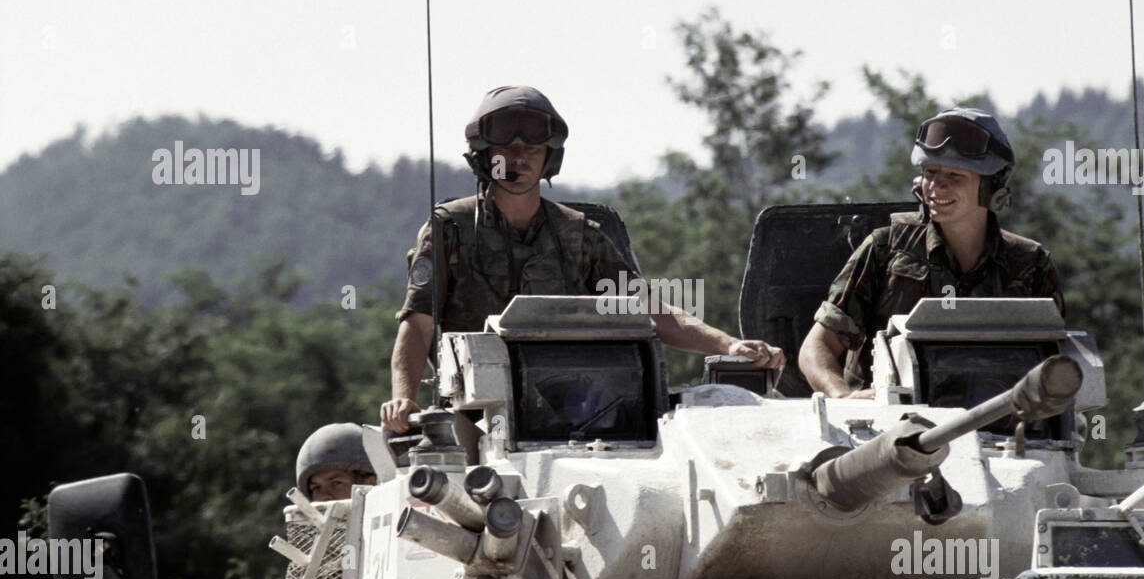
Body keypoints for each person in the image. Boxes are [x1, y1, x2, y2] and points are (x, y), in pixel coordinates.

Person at [381, 85, 785, 433]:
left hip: (572, 410)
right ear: (484, 156)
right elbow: (418, 325)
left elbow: (649, 312)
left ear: (548, 158)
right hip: (473, 414)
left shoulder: (580, 235)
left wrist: (730, 345)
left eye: (532, 149)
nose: (518, 159)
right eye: (505, 148)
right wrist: (403, 399)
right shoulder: (450, 228)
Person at [799, 107, 1064, 398]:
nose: (937, 186)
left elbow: (1056, 363)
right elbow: (816, 347)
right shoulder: (886, 250)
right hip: (890, 435)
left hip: (1001, 435)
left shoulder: (1030, 263)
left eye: (955, 175)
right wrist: (842, 397)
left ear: (991, 188)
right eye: (930, 173)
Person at [173, 424, 376, 579]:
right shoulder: (336, 555)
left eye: (336, 483)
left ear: (372, 482)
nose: (323, 497)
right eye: (316, 488)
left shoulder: (395, 545)